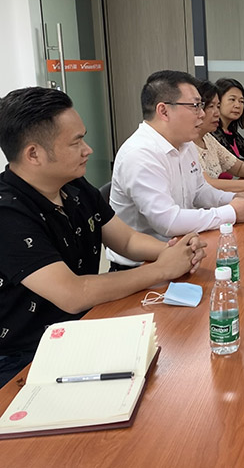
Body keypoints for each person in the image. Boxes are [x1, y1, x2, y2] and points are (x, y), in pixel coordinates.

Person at [0, 87, 206, 386]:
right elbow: (72, 294)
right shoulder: (7, 212)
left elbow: (127, 240)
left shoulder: (74, 186)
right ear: (34, 154)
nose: (88, 150)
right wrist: (162, 269)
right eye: (76, 142)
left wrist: (172, 251)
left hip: (87, 325)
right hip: (26, 355)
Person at [108, 70, 244, 269]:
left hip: (184, 251)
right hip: (143, 266)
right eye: (195, 106)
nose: (202, 114)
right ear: (164, 111)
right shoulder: (140, 154)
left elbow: (199, 190)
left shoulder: (185, 144)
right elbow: (168, 222)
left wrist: (231, 198)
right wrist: (231, 212)